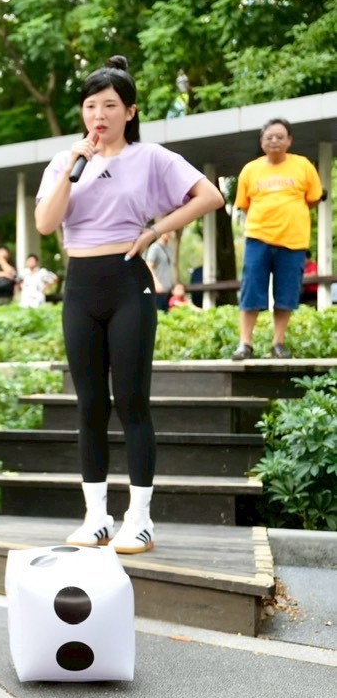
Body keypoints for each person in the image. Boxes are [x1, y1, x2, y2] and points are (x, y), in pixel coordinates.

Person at [34, 56, 222, 554]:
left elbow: (210, 196)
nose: (99, 115)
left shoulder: (151, 158)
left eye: (110, 105)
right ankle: (96, 517)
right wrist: (72, 169)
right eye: (91, 106)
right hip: (80, 287)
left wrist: (156, 230)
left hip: (127, 282)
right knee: (90, 404)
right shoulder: (64, 162)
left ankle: (139, 519)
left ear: (130, 111)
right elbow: (46, 224)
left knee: (131, 401)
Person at [232, 118, 323, 360]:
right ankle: (245, 344)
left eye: (280, 137)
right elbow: (244, 205)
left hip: (293, 241)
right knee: (251, 291)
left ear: (289, 140)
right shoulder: (250, 170)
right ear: (261, 142)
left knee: (287, 293)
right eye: (269, 137)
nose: (274, 141)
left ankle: (278, 343)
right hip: (257, 239)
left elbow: (313, 198)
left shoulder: (303, 166)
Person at [143, 231, 175, 312]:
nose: (169, 233)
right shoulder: (155, 247)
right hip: (158, 290)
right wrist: (156, 283)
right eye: (167, 231)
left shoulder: (168, 248)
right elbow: (149, 266)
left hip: (167, 289)